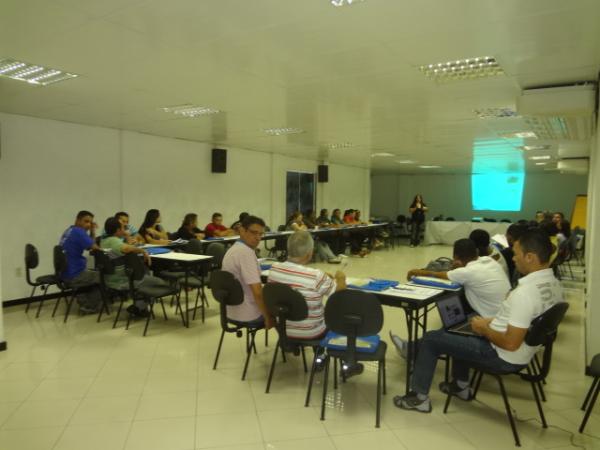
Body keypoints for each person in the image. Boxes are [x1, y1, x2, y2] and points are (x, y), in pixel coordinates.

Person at [394, 229, 564, 413]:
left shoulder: (525, 294)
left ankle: (419, 398)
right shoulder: (554, 285)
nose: (513, 259)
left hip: (501, 355)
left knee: (430, 339)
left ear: (530, 257)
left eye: (516, 254)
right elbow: (520, 322)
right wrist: (487, 322)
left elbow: (510, 343)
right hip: (524, 350)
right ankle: (460, 387)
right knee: (459, 328)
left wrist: (484, 329)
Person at [268, 231, 346, 340]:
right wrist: (341, 278)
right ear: (310, 253)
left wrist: (321, 276)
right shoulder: (316, 276)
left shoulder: (274, 269)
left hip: (282, 329)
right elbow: (338, 296)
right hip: (312, 331)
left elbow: (295, 275)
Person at [406, 239, 510, 318]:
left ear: (455, 257)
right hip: (506, 317)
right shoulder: (488, 260)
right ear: (476, 252)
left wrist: (417, 272)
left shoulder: (467, 272)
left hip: (492, 322)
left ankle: (413, 345)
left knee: (432, 337)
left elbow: (439, 275)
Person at [100, 217, 170, 317]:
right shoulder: (114, 241)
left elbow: (124, 247)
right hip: (121, 280)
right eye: (123, 228)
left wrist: (127, 236)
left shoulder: (104, 241)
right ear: (118, 230)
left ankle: (139, 306)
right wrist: (142, 251)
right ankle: (139, 308)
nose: (125, 229)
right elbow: (127, 248)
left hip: (109, 278)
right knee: (158, 282)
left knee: (144, 276)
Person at [222, 215, 273, 328]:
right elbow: (257, 293)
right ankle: (288, 344)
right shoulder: (246, 253)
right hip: (248, 314)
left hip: (230, 312)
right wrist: (268, 318)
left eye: (260, 234)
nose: (258, 238)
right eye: (254, 233)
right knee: (283, 309)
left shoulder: (233, 249)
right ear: (242, 231)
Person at [59, 210, 102, 313]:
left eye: (90, 223)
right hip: (74, 275)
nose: (88, 225)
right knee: (103, 276)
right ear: (77, 220)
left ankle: (84, 301)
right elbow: (94, 248)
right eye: (86, 221)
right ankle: (89, 306)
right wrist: (93, 231)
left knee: (92, 273)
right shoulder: (79, 232)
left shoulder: (69, 230)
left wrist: (90, 230)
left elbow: (88, 247)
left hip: (64, 273)